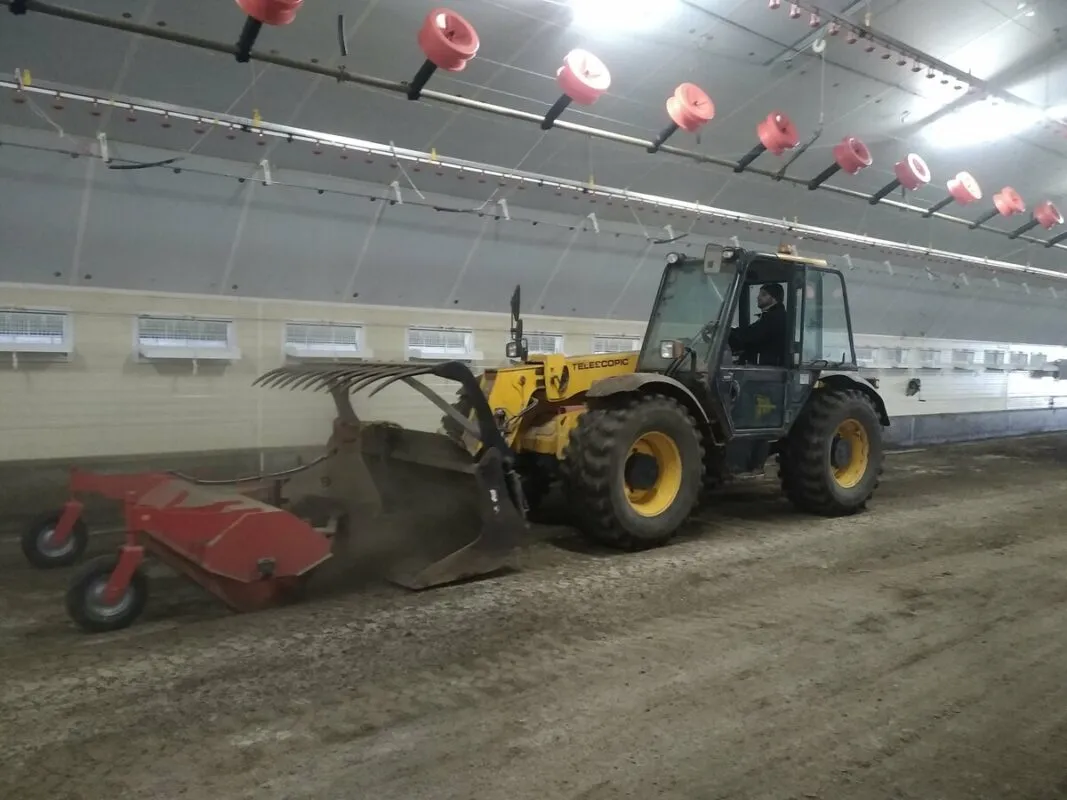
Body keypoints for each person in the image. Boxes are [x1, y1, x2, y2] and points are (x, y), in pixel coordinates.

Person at [728, 283, 787, 366]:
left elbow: (750, 336)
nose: (758, 297)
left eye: (763, 295)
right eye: (759, 294)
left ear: (774, 298)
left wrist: (727, 334)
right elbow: (750, 332)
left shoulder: (774, 318)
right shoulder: (771, 316)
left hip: (767, 369)